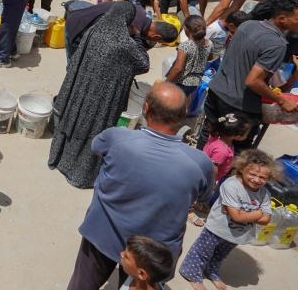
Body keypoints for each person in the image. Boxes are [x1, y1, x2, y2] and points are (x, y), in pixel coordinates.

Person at [65, 83, 214, 289]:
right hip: (152, 254)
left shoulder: (117, 137)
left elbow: (96, 147)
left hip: (103, 234)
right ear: (184, 114)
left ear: (145, 108)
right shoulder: (201, 163)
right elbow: (204, 197)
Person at [49, 2, 151, 188]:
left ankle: (59, 159)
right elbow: (143, 64)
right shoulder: (124, 43)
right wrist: (136, 36)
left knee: (73, 123)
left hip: (79, 90)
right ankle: (79, 175)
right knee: (92, 131)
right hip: (100, 99)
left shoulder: (94, 30)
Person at [201, 0, 298, 149]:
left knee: (209, 134)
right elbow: (253, 81)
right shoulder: (277, 44)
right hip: (238, 106)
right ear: (282, 19)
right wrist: (282, 101)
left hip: (216, 92)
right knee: (234, 148)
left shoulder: (247, 25)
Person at [178, 150, 276, 289]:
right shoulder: (231, 185)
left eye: (262, 177)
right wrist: (257, 213)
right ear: (242, 169)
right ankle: (190, 272)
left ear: (269, 178)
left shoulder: (264, 193)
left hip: (237, 233)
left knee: (221, 254)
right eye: (252, 174)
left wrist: (247, 214)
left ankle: (210, 270)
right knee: (203, 251)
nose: (257, 179)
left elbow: (267, 219)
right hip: (217, 228)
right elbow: (237, 216)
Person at [189, 113, 251, 227]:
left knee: (197, 193)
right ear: (236, 136)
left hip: (201, 172)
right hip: (205, 177)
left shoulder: (217, 138)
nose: (247, 136)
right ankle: (189, 211)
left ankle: (197, 204)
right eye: (246, 134)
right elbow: (214, 167)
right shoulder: (222, 150)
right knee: (195, 194)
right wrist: (212, 183)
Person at [64, 1, 178, 59]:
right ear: (156, 37)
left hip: (81, 16)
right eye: (159, 42)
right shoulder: (129, 29)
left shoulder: (140, 11)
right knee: (74, 68)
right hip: (77, 29)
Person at [165, 15, 211, 100]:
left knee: (175, 103)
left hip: (182, 82)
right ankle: (185, 111)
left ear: (186, 29)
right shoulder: (210, 43)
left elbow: (177, 69)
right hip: (196, 82)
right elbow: (209, 58)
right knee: (186, 98)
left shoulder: (185, 46)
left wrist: (166, 83)